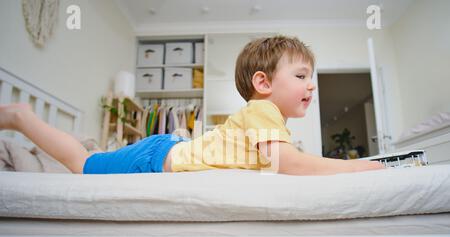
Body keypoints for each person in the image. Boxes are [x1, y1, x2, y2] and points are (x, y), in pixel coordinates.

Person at [0, 35, 383, 175]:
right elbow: (291, 164)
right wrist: (359, 167)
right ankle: (22, 117)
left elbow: (280, 161)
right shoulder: (263, 110)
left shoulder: (270, 118)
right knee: (83, 166)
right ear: (263, 83)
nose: (311, 85)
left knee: (93, 158)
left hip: (164, 149)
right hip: (156, 156)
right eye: (301, 76)